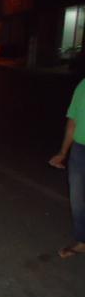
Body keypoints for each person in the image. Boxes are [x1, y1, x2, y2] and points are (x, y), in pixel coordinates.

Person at [49, 78, 85, 258]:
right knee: (77, 199)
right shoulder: (83, 86)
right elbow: (73, 122)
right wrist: (63, 152)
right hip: (80, 150)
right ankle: (82, 241)